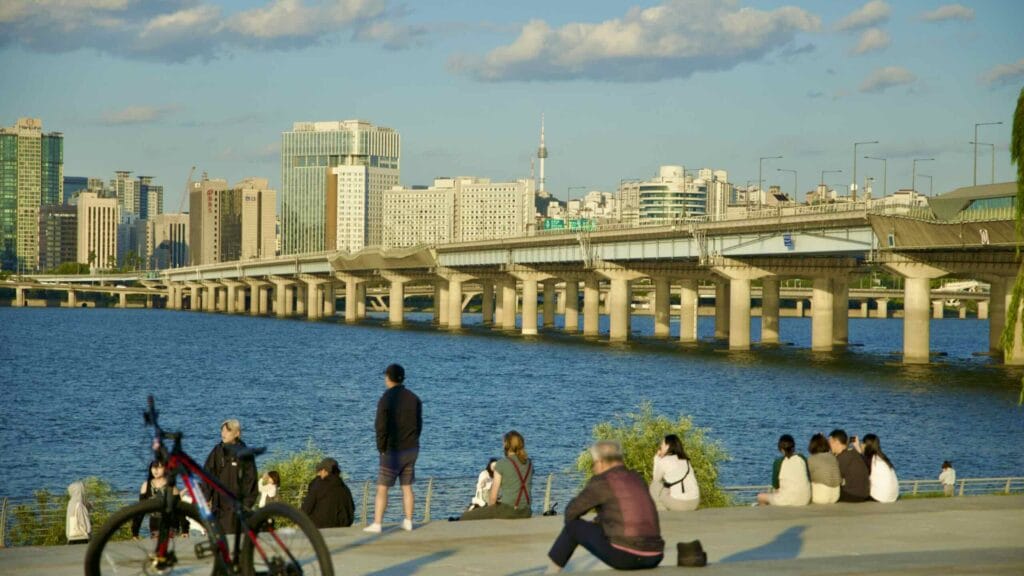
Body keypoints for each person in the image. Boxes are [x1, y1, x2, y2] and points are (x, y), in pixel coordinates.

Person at [548, 440, 664, 572]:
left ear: (600, 462)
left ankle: (550, 573)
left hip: (627, 556)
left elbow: (571, 512)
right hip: (655, 555)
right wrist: (601, 521)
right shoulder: (636, 477)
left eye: (593, 463)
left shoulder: (602, 481)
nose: (593, 468)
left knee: (573, 527)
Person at [365, 364, 422, 533]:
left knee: (382, 487)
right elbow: (419, 425)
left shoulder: (386, 398)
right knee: (407, 486)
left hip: (392, 451)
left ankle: (377, 523)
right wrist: (414, 440)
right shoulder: (414, 398)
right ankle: (408, 520)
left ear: (389, 378)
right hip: (411, 448)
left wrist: (381, 447)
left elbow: (380, 426)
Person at [461, 432, 534, 520]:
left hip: (508, 511)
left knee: (466, 516)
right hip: (526, 511)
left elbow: (493, 498)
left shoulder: (501, 464)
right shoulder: (529, 463)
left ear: (507, 445)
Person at [203, 418, 258, 533]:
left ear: (237, 433)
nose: (223, 434)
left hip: (236, 506)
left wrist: (246, 504)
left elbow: (251, 480)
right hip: (219, 506)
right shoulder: (217, 451)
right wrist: (206, 497)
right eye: (222, 431)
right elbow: (208, 474)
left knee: (234, 537)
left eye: (227, 431)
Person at [131, 460, 188, 538]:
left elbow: (180, 510)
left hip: (171, 524)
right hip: (154, 524)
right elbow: (141, 510)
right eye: (153, 467)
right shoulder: (146, 486)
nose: (156, 470)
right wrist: (135, 532)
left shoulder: (171, 487)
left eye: (159, 467)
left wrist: (185, 530)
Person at [649, 434, 700, 512]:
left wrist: (657, 458)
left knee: (655, 486)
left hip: (680, 504)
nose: (660, 447)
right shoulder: (686, 460)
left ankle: (661, 512)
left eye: (662, 444)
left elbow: (656, 479)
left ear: (667, 446)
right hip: (694, 502)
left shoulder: (664, 460)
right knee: (667, 487)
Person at [756, 434, 810, 506]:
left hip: (788, 500)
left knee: (760, 497)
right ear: (793, 447)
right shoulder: (802, 458)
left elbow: (775, 485)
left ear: (781, 449)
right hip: (805, 499)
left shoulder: (778, 462)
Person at [302, 458, 355, 529]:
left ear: (324, 471)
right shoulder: (344, 488)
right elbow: (352, 508)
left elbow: (306, 508)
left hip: (321, 527)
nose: (319, 473)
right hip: (343, 526)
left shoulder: (318, 485)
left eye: (320, 471)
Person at [828, 429, 869, 502]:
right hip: (864, 493)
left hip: (853, 495)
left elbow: (834, 478)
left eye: (830, 442)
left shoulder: (842, 458)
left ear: (836, 442)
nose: (828, 446)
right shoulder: (853, 452)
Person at [855, 433, 899, 503]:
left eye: (862, 443)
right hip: (893, 496)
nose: (861, 445)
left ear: (865, 445)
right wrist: (859, 449)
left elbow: (863, 468)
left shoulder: (871, 459)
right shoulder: (882, 458)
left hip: (881, 497)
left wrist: (857, 449)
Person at [807, 433, 841, 504]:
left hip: (821, 497)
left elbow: (807, 477)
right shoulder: (832, 457)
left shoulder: (812, 459)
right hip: (835, 496)